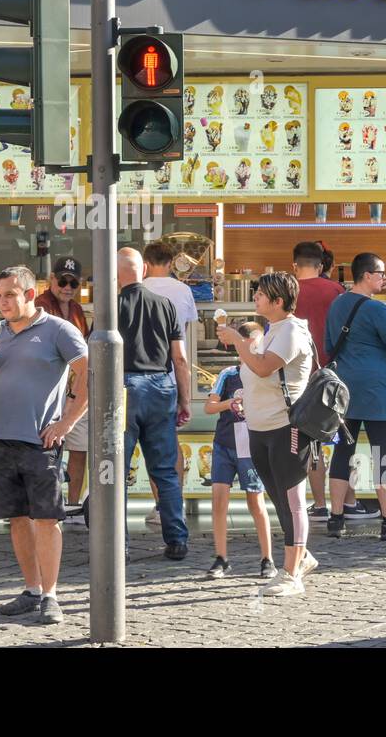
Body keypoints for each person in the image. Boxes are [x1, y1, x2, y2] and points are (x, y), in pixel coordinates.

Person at [0, 266, 88, 626]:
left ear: (30, 295)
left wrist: (66, 422)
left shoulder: (58, 330)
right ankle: (32, 589)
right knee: (17, 518)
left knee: (47, 519)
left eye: (10, 295)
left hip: (39, 441)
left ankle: (51, 595)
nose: (2, 302)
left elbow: (90, 372)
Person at [217, 273, 317, 596]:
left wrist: (238, 341)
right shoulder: (274, 330)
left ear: (278, 302)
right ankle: (301, 555)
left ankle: (291, 572)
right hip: (260, 428)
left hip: (285, 427)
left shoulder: (290, 331)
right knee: (278, 497)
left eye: (261, 294)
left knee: (292, 499)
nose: (256, 297)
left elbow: (263, 367)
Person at [323, 253, 386, 540]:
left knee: (342, 451)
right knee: (383, 455)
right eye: (380, 274)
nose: (384, 279)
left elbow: (329, 345)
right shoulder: (376, 310)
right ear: (367, 275)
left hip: (344, 390)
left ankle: (336, 518)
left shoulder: (336, 305)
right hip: (374, 391)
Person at [119, 247, 192, 559]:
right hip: (162, 387)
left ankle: (117, 542)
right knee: (164, 470)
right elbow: (180, 357)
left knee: (115, 470)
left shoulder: (112, 306)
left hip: (123, 391)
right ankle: (176, 539)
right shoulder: (165, 305)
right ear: (144, 269)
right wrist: (185, 399)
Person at [290, 240, 365, 521]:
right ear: (321, 266)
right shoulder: (335, 290)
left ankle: (320, 504)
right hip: (333, 375)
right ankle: (349, 501)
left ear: (294, 264)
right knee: (339, 439)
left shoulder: (288, 289)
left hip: (299, 376)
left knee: (311, 441)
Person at [203, 321, 276, 580]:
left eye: (256, 344)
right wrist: (229, 404)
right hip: (224, 443)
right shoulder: (229, 374)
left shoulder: (264, 373)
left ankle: (267, 558)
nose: (252, 350)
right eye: (247, 345)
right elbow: (209, 407)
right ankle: (221, 557)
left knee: (256, 501)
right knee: (218, 501)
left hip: (250, 445)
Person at [140, 240, 198, 524]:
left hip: (138, 377)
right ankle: (176, 501)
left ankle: (161, 505)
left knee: (151, 446)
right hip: (172, 378)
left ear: (146, 263)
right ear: (171, 262)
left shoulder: (135, 289)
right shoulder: (184, 290)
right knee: (170, 443)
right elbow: (183, 340)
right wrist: (186, 396)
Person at [34, 255, 91, 517]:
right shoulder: (40, 305)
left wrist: (76, 393)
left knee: (78, 449)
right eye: (62, 281)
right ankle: (42, 505)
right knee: (45, 451)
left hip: (73, 392)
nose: (67, 287)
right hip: (46, 392)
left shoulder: (77, 310)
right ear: (51, 280)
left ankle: (72, 504)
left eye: (73, 283)